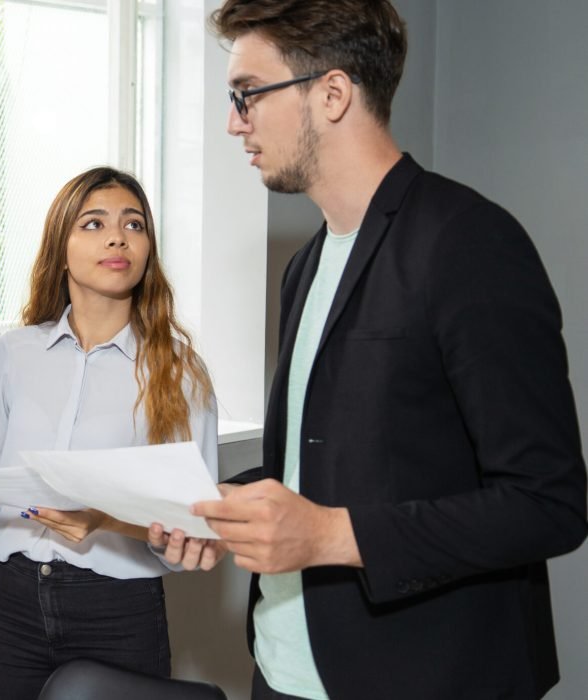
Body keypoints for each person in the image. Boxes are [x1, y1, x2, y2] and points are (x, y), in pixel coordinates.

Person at [193, 1, 588, 698]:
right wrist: (215, 507)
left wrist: (329, 537)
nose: (234, 121)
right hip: (282, 673)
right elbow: (327, 454)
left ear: (333, 93)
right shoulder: (305, 265)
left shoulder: (470, 242)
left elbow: (548, 502)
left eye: (247, 94)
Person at [0, 167, 219, 699]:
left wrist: (103, 520)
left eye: (133, 224)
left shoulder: (179, 372)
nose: (116, 237)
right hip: (14, 609)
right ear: (60, 249)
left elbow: (194, 533)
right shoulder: (16, 353)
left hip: (118, 615)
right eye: (93, 223)